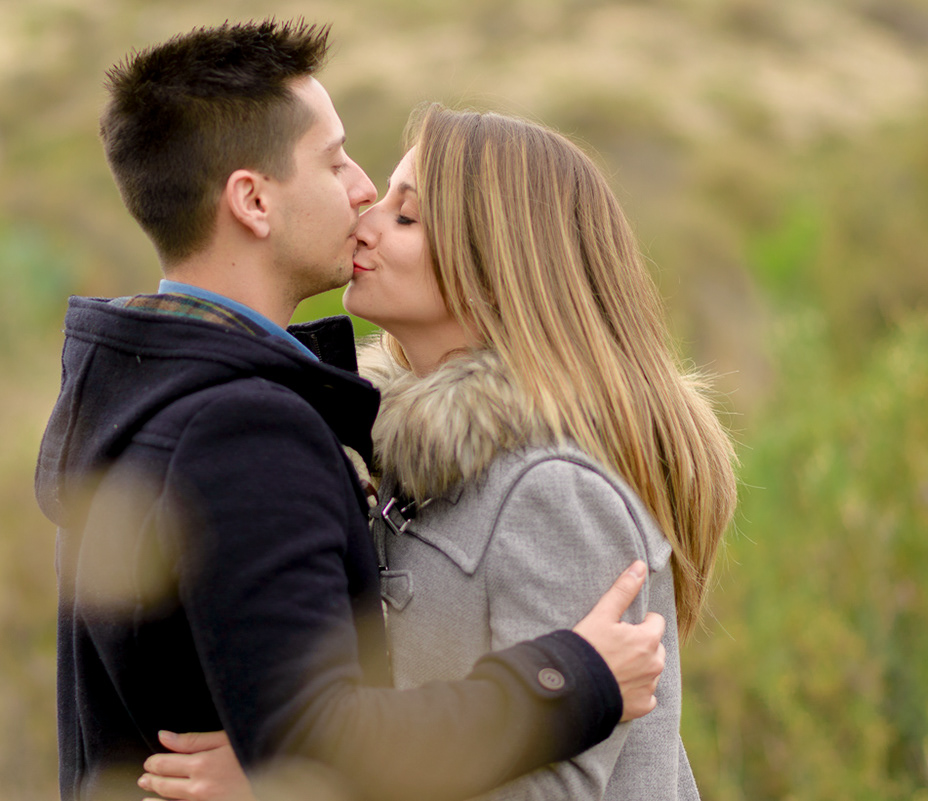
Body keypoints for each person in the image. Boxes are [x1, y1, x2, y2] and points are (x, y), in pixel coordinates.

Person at [34, 20, 667, 801]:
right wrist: (569, 679)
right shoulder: (244, 427)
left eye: (408, 213)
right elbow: (314, 727)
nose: (362, 192)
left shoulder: (139, 395)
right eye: (336, 162)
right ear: (254, 201)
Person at [145, 103, 739, 799]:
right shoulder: (411, 470)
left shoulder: (554, 492)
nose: (363, 220)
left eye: (406, 217)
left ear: (494, 272)